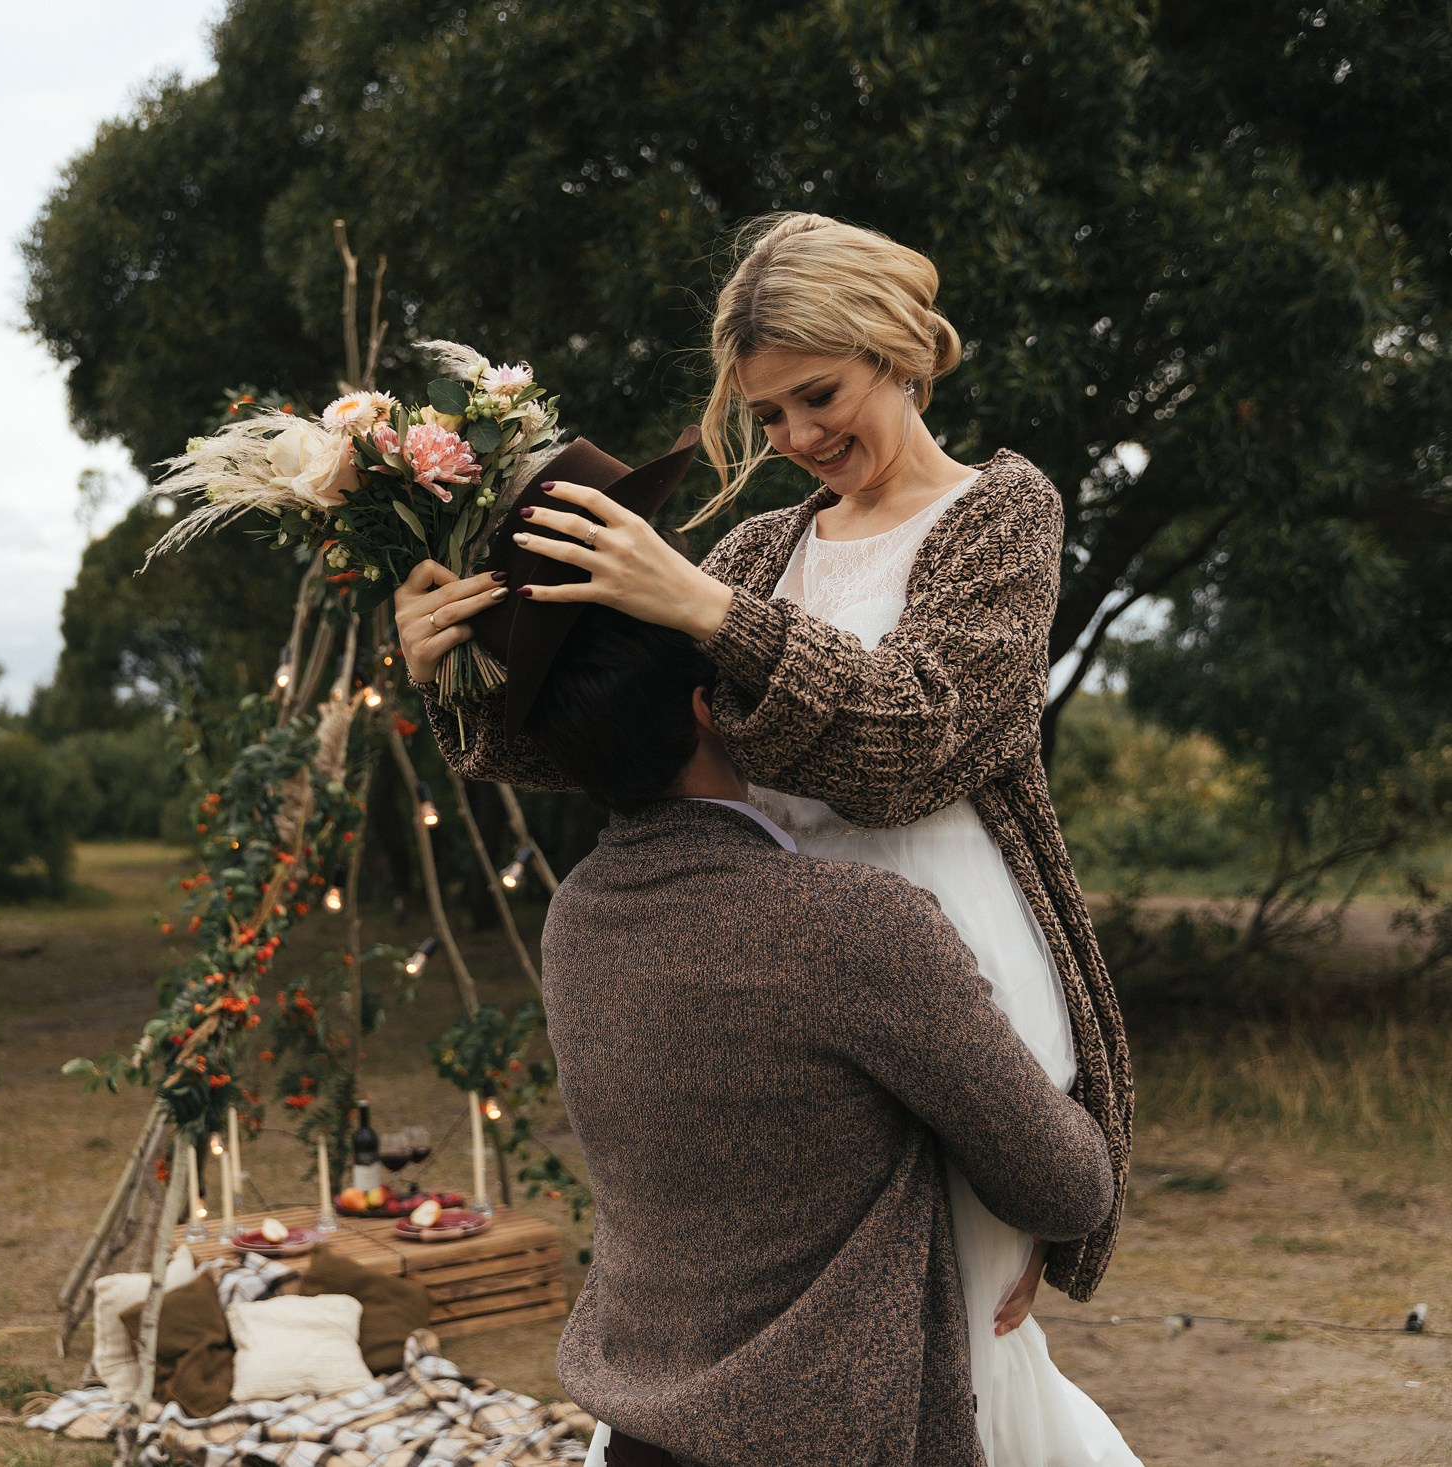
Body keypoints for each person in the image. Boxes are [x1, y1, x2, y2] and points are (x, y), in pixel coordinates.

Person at [395, 213, 1135, 1465]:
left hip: (950, 962)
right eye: (770, 415)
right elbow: (629, 735)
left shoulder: (997, 513)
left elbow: (920, 742)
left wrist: (703, 606)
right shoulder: (759, 549)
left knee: (961, 1344)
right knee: (820, 1348)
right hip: (779, 975)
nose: (797, 440)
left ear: (898, 348)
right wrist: (457, 682)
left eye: (818, 396)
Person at [525, 602, 1115, 1467]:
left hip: (643, 1432)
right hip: (834, 1435)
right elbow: (1068, 1188)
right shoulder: (849, 925)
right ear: (704, 706)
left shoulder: (573, 916)